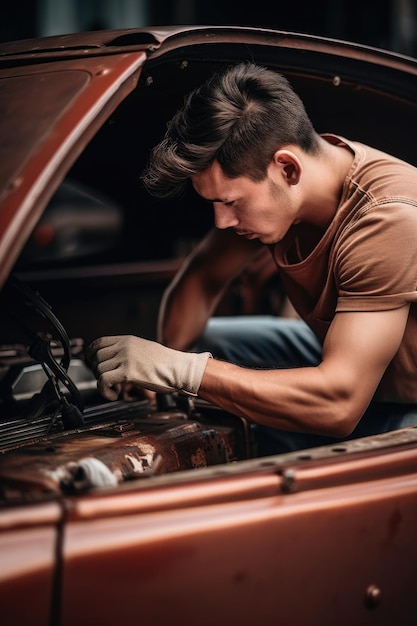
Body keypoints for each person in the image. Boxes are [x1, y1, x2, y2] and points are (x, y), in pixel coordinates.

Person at [86, 62, 417, 455]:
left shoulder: (388, 216)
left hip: (402, 399)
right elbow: (204, 275)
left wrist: (180, 370)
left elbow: (339, 404)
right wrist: (160, 374)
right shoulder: (283, 192)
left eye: (230, 202)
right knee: (205, 342)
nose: (222, 222)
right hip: (348, 359)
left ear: (287, 168)